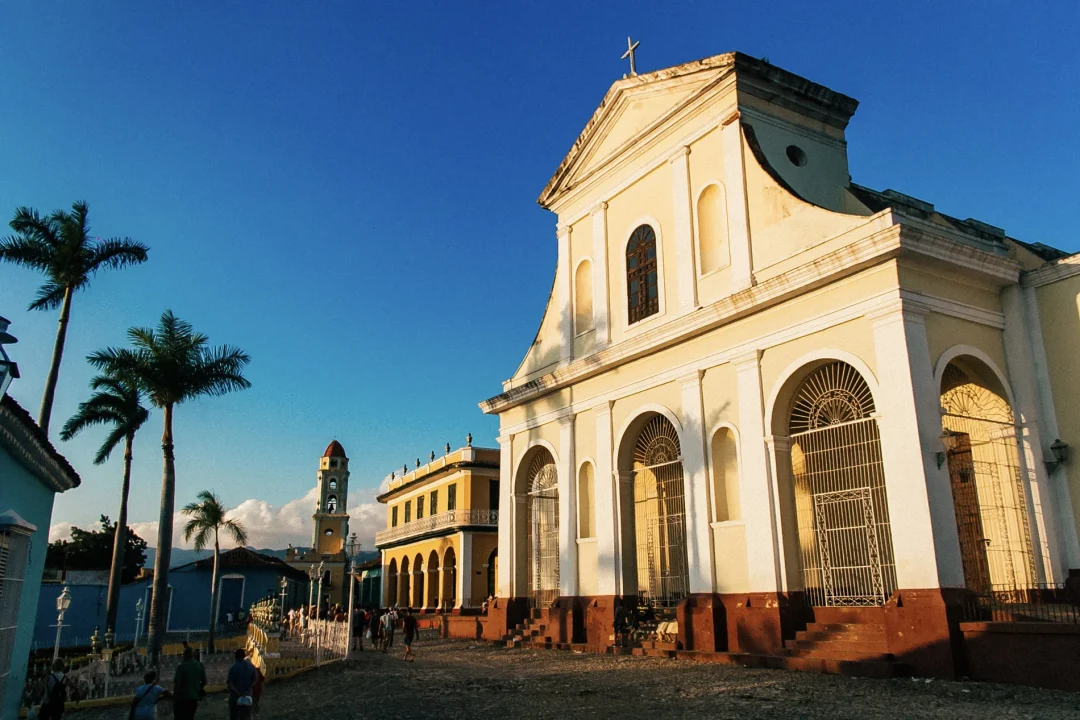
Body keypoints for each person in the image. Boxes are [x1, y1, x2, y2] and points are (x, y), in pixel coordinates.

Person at [173, 647, 205, 720]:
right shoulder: (199, 665)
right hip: (194, 697)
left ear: (185, 655)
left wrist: (174, 698)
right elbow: (204, 682)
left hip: (182, 698)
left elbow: (176, 684)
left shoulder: (181, 666)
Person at [226, 648, 257, 720]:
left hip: (235, 697)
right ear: (244, 656)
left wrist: (238, 692)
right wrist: (248, 688)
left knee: (234, 716)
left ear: (235, 657)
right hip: (247, 696)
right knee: (246, 716)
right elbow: (254, 680)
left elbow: (230, 683)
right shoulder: (251, 667)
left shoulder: (233, 668)